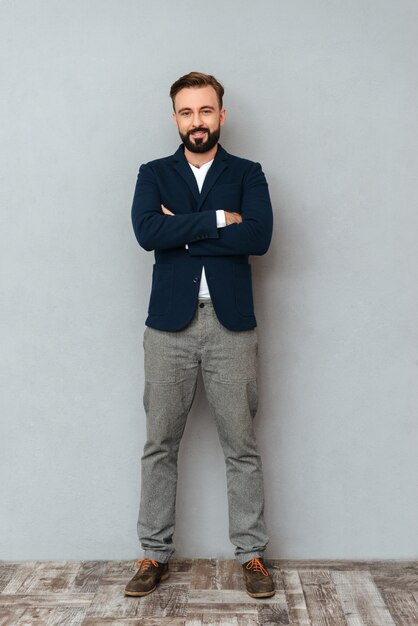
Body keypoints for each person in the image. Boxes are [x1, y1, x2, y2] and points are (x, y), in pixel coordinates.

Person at [125, 72, 275, 599]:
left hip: (231, 325)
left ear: (221, 115)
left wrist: (183, 228)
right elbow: (147, 232)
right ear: (175, 118)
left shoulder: (247, 172)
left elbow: (258, 235)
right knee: (160, 443)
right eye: (187, 112)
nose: (197, 122)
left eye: (206, 111)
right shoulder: (154, 173)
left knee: (242, 444)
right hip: (169, 326)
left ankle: (252, 555)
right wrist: (215, 219)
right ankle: (152, 554)